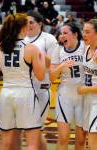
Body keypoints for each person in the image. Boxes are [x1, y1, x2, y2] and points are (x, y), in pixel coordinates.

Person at [0, 13, 46, 150]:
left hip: (6, 94)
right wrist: (41, 59)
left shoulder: (0, 47)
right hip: (25, 95)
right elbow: (41, 76)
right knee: (32, 142)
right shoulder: (31, 48)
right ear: (23, 28)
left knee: (5, 142)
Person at [24, 10, 59, 150]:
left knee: (36, 131)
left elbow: (55, 65)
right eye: (26, 22)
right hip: (24, 89)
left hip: (41, 89)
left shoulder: (49, 39)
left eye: (31, 22)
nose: (28, 25)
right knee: (29, 132)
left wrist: (38, 55)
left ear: (40, 24)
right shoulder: (21, 38)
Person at [49, 22, 86, 150]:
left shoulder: (85, 47)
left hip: (83, 96)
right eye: (61, 33)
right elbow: (52, 78)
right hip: (65, 96)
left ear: (75, 34)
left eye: (65, 33)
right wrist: (61, 66)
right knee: (63, 138)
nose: (62, 36)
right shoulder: (58, 49)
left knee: (81, 140)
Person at [77, 19, 97, 150]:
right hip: (88, 101)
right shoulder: (86, 49)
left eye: (88, 32)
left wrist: (86, 89)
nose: (84, 35)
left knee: (93, 141)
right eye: (83, 31)